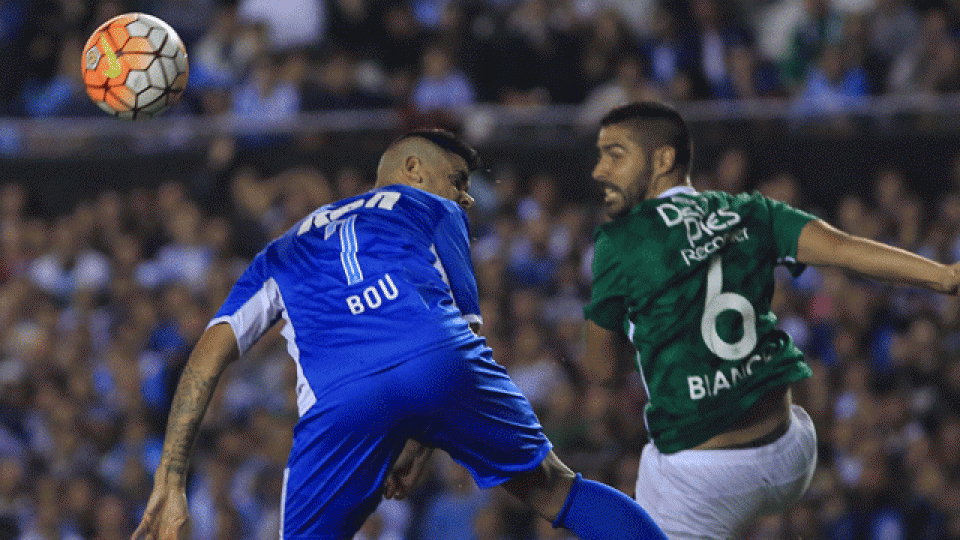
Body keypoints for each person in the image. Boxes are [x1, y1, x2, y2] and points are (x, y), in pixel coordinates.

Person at [131, 129, 667, 540]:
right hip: (439, 358)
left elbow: (205, 357)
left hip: (341, 398)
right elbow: (468, 328)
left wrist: (171, 477)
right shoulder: (430, 207)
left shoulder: (280, 251)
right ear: (413, 168)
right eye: (459, 180)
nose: (469, 197)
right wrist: (420, 441)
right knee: (553, 489)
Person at [582, 101, 960, 539]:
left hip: (704, 479)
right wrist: (945, 275)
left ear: (663, 159)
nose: (600, 171)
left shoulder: (620, 242)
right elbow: (843, 249)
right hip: (791, 455)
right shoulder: (753, 212)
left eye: (616, 155)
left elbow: (601, 370)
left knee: (646, 474)